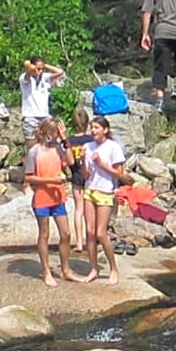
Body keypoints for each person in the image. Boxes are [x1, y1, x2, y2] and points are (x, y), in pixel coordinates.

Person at [24, 118, 82, 287]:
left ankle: (65, 270)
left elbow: (71, 162)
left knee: (66, 234)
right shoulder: (35, 151)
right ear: (45, 133)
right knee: (44, 234)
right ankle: (46, 271)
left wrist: (65, 139)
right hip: (42, 199)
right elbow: (28, 177)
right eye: (55, 132)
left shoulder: (59, 149)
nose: (56, 136)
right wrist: (50, 180)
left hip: (58, 198)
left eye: (58, 132)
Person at [81, 116, 126, 285]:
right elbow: (85, 175)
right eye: (92, 128)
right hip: (90, 190)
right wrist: (82, 162)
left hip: (105, 191)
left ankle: (113, 268)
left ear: (105, 130)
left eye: (97, 128)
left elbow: (120, 173)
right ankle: (93, 268)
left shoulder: (113, 147)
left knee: (101, 232)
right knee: (90, 232)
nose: (93, 131)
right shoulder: (87, 147)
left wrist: (101, 163)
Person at [20, 56, 66, 150]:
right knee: (32, 150)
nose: (39, 71)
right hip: (31, 117)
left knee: (49, 146)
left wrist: (45, 66)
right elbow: (30, 70)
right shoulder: (25, 78)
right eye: (38, 68)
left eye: (41, 69)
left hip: (44, 116)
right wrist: (30, 66)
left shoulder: (45, 77)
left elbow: (60, 72)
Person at [66, 108, 94, 253]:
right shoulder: (91, 140)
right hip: (90, 177)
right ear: (87, 123)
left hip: (76, 176)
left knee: (78, 209)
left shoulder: (69, 141)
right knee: (90, 211)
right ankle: (91, 240)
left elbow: (68, 161)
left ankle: (79, 243)